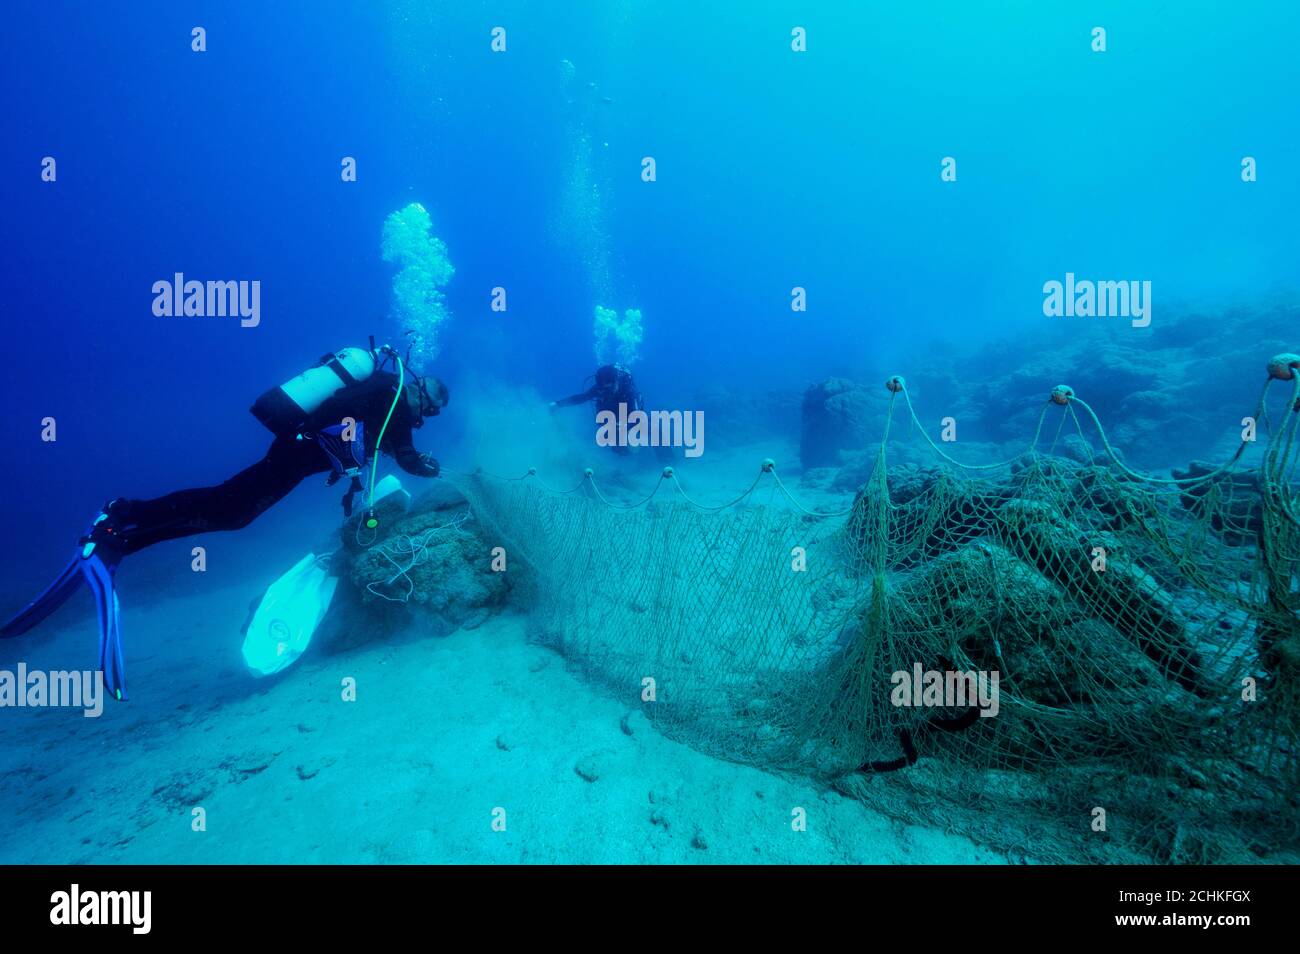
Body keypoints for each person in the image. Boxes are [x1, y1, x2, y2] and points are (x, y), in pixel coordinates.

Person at [0, 344, 448, 699]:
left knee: (230, 507)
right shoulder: (393, 399)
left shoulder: (383, 396)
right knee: (229, 506)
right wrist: (431, 468)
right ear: (423, 397)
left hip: (298, 448)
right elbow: (405, 453)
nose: (422, 417)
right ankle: (121, 520)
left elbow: (374, 443)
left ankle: (122, 532)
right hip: (299, 451)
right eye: (428, 409)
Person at [549, 363, 643, 454]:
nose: (605, 391)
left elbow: (637, 418)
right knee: (615, 445)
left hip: (627, 413)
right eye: (602, 388)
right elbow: (582, 397)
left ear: (616, 382)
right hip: (611, 414)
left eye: (608, 389)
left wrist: (626, 428)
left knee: (630, 443)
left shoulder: (629, 392)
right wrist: (558, 404)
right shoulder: (600, 388)